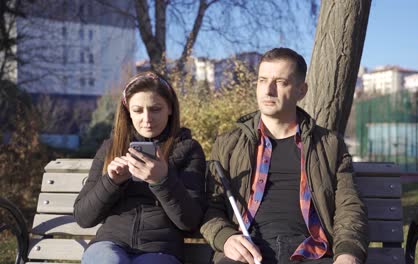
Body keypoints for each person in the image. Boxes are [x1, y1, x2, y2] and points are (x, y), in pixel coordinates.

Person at [201, 48, 368, 264]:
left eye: (280, 82)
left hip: (311, 253)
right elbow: (209, 206)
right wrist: (226, 238)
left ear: (301, 90)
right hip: (246, 253)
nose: (268, 91)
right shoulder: (229, 144)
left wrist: (348, 252)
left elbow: (349, 206)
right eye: (262, 80)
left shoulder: (329, 145)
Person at [74, 71, 206, 264]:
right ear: (128, 111)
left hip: (160, 249)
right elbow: (83, 217)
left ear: (170, 108)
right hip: (109, 243)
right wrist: (111, 182)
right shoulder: (112, 147)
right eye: (138, 110)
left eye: (155, 109)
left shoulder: (188, 149)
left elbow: (190, 222)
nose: (147, 118)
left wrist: (162, 181)